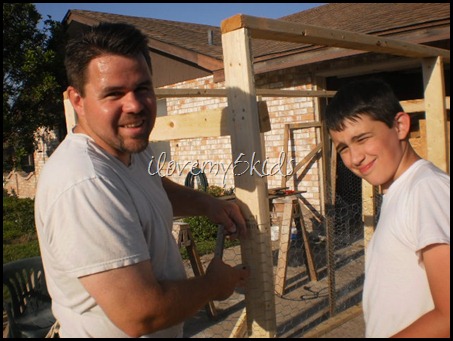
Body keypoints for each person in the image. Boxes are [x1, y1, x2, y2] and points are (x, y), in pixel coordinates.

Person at [34, 22, 249, 338]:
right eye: (114, 93)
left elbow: (151, 184)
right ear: (77, 100)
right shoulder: (84, 182)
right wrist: (213, 286)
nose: (134, 105)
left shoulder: (127, 149)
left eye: (142, 88)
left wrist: (206, 203)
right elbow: (141, 315)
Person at [325, 78, 450, 338]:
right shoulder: (402, 190)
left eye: (362, 138)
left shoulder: (425, 190)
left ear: (400, 125)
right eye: (343, 148)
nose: (355, 158)